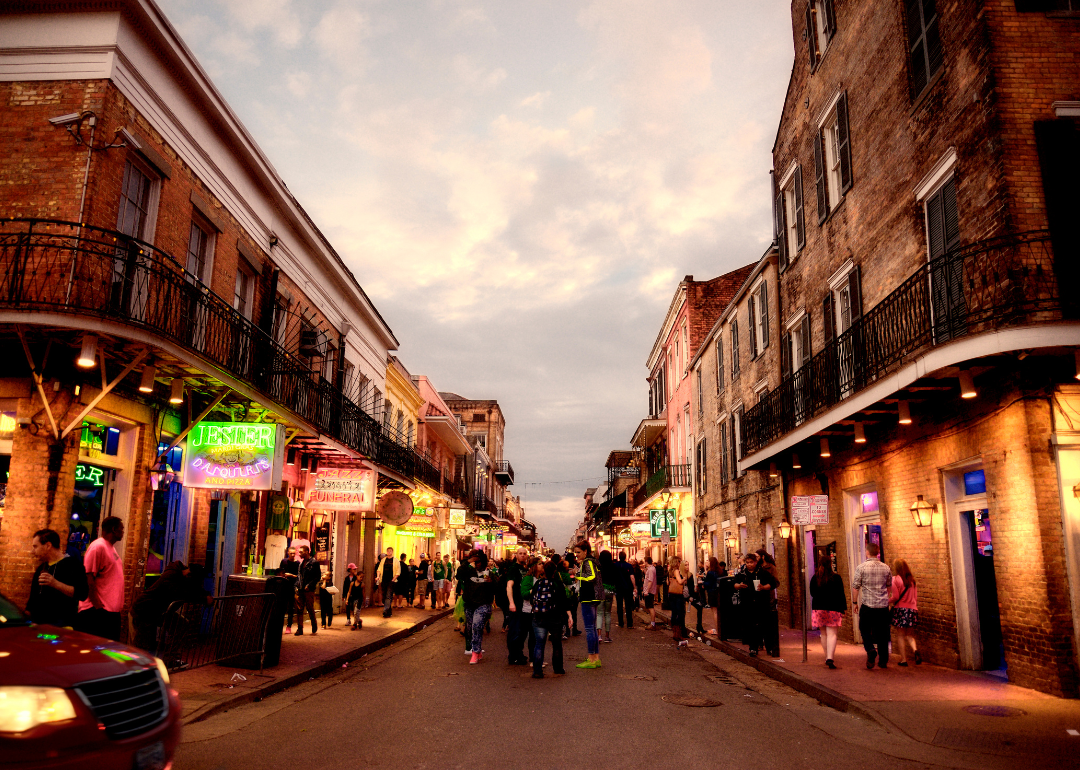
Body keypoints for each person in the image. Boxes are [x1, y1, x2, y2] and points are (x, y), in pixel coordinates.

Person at [131, 560, 212, 652]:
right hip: (144, 610)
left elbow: (194, 588)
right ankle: (134, 663)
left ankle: (170, 659)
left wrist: (206, 595)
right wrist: (204, 599)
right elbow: (183, 593)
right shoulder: (171, 577)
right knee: (142, 644)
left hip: (158, 610)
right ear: (189, 575)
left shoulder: (183, 578)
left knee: (181, 625)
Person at [75, 515, 125, 640]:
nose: (123, 531)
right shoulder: (98, 547)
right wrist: (97, 606)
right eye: (121, 528)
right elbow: (88, 577)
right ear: (114, 529)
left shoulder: (111, 548)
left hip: (109, 613)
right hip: (97, 613)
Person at [26, 528, 88, 628]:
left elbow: (82, 594)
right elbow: (32, 601)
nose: (32, 551)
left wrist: (55, 584)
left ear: (48, 546)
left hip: (62, 628)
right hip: (39, 627)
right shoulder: (40, 569)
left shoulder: (73, 565)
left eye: (35, 547)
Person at [852, 542, 893, 669]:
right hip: (882, 606)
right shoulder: (886, 567)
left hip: (868, 606)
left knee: (864, 629)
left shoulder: (861, 567)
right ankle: (883, 661)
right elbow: (889, 586)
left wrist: (854, 602)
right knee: (883, 633)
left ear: (867, 552)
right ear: (878, 552)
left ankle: (870, 649)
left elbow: (856, 587)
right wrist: (887, 599)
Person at [732, 552, 779, 657]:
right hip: (747, 603)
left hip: (762, 602)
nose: (749, 564)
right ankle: (753, 648)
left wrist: (763, 587)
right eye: (747, 562)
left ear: (755, 562)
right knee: (751, 626)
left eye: (751, 562)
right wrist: (739, 586)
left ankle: (769, 648)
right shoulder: (742, 573)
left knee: (765, 626)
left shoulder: (762, 572)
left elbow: (774, 583)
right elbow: (734, 585)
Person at [531, 559, 571, 679]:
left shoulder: (538, 583)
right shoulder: (557, 584)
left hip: (539, 617)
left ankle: (537, 671)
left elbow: (532, 598)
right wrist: (568, 616)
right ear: (554, 572)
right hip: (554, 617)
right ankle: (558, 668)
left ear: (544, 571)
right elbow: (563, 601)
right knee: (557, 644)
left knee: (539, 644)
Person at [458, 550, 496, 663]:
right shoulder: (468, 572)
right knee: (470, 629)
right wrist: (468, 562)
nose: (477, 563)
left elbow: (497, 588)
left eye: (479, 561)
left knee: (476, 626)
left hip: (483, 605)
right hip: (469, 604)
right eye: (475, 561)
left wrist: (491, 583)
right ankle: (477, 651)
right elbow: (458, 574)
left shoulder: (490, 574)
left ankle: (475, 652)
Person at [809, 558, 847, 669]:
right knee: (832, 634)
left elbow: (812, 593)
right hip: (833, 608)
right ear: (830, 565)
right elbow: (841, 594)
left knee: (824, 634)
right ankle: (830, 658)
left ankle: (826, 657)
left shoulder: (815, 578)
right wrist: (842, 609)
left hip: (819, 608)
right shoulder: (836, 578)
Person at [573, 541, 602, 668]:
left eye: (578, 552)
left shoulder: (588, 562)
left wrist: (577, 574)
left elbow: (591, 576)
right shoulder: (593, 561)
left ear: (586, 551)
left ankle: (591, 658)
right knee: (593, 628)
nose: (577, 555)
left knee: (590, 629)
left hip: (588, 597)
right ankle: (595, 658)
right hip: (594, 597)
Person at [890, 558, 921, 666]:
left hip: (901, 610)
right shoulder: (912, 580)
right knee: (909, 634)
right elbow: (915, 597)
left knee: (900, 635)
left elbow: (895, 597)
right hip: (912, 609)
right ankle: (915, 650)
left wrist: (887, 601)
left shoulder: (895, 579)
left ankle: (903, 660)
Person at [503, 547, 529, 665]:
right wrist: (511, 602)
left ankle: (519, 653)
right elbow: (509, 586)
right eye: (520, 553)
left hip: (525, 605)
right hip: (517, 604)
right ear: (516, 555)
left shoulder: (526, 569)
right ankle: (513, 655)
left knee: (523, 631)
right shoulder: (513, 569)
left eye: (524, 554)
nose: (523, 555)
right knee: (515, 630)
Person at [756, 548, 781, 657]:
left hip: (768, 597)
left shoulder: (771, 568)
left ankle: (769, 646)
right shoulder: (756, 568)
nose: (755, 559)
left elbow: (776, 582)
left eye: (757, 557)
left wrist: (765, 587)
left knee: (767, 622)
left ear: (762, 557)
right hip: (757, 597)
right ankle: (759, 643)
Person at [295, 545, 320, 635]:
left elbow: (317, 577)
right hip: (300, 589)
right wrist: (296, 586)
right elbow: (299, 576)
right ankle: (300, 628)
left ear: (307, 552)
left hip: (309, 590)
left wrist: (309, 585)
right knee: (299, 609)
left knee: (310, 607)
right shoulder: (301, 564)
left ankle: (314, 624)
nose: (299, 553)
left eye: (301, 552)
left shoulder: (314, 563)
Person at [666, 555, 688, 644]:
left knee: (674, 613)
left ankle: (674, 632)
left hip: (671, 593)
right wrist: (684, 579)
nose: (680, 563)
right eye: (679, 562)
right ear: (676, 562)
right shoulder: (676, 571)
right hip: (677, 594)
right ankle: (678, 634)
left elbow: (668, 582)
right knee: (680, 613)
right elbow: (679, 581)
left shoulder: (669, 571)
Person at [278, 546, 299, 633]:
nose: (293, 555)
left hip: (292, 586)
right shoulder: (284, 561)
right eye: (291, 553)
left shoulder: (297, 563)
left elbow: (299, 576)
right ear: (288, 553)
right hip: (283, 585)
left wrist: (291, 575)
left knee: (291, 607)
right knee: (281, 606)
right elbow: (279, 572)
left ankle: (289, 625)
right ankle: (279, 624)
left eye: (294, 553)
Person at [597, 550, 617, 643]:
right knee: (608, 613)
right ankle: (607, 636)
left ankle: (599, 636)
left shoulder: (598, 566)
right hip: (609, 590)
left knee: (599, 613)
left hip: (600, 590)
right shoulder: (613, 566)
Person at [375, 547, 400, 618]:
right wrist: (378, 576)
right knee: (385, 596)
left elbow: (398, 572)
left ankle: (385, 611)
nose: (389, 552)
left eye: (390, 551)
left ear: (392, 552)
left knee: (388, 596)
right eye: (388, 551)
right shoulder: (383, 560)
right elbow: (379, 569)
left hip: (391, 581)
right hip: (384, 580)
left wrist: (393, 580)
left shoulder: (396, 561)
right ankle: (389, 611)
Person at [615, 552, 635, 630]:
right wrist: (634, 587)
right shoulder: (629, 566)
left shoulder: (615, 565)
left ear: (619, 557)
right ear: (625, 557)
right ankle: (629, 623)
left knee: (619, 605)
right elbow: (632, 577)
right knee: (628, 606)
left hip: (618, 588)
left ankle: (621, 623)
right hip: (628, 588)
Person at [704, 557, 722, 635]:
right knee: (719, 611)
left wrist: (703, 583)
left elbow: (708, 583)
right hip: (719, 593)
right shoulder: (720, 571)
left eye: (708, 561)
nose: (706, 562)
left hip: (712, 593)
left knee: (714, 612)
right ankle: (720, 629)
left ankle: (717, 629)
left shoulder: (710, 573)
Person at [343, 563, 364, 629]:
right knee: (349, 607)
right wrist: (344, 596)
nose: (355, 570)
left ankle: (356, 622)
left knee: (355, 610)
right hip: (349, 595)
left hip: (356, 596)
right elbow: (345, 588)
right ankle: (349, 619)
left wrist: (364, 600)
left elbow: (363, 592)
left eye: (355, 569)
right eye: (354, 569)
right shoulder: (347, 578)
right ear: (350, 570)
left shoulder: (356, 578)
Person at [642, 554, 658, 629]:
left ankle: (652, 623)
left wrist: (647, 590)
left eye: (644, 561)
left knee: (650, 607)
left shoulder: (651, 569)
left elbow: (650, 581)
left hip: (649, 591)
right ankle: (652, 622)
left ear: (646, 562)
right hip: (649, 591)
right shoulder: (651, 569)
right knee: (649, 606)